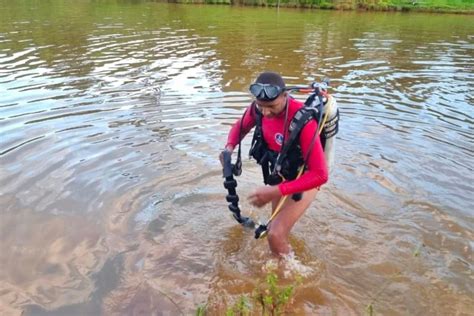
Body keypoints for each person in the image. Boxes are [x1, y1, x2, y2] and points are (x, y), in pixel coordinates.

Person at [220, 71, 329, 256]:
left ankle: (289, 278)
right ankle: (280, 264)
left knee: (275, 235)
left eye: (271, 106)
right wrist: (229, 148)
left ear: (285, 96)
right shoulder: (258, 109)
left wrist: (274, 191)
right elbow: (240, 126)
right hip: (282, 173)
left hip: (307, 177)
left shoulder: (303, 121)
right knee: (274, 226)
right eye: (260, 106)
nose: (265, 112)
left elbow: (320, 175)